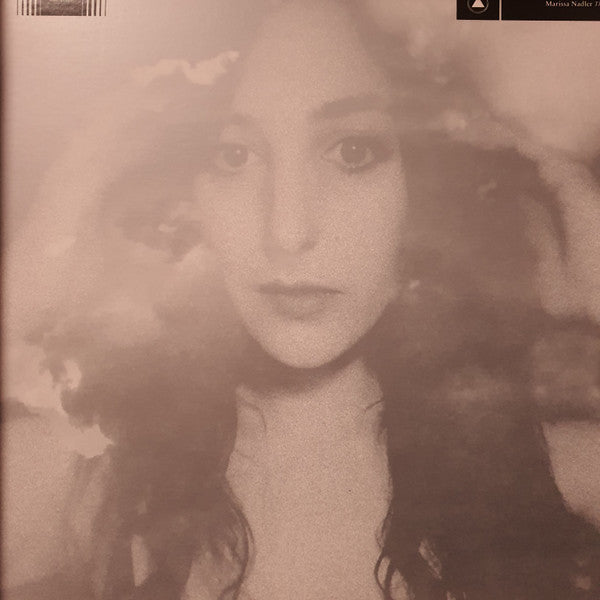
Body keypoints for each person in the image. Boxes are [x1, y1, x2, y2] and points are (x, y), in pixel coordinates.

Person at [5, 1, 600, 599]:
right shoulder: (96, 487)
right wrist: (78, 178)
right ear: (181, 194)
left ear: (426, 186)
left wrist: (565, 186)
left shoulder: (555, 469)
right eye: (230, 154)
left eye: (353, 151)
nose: (288, 231)